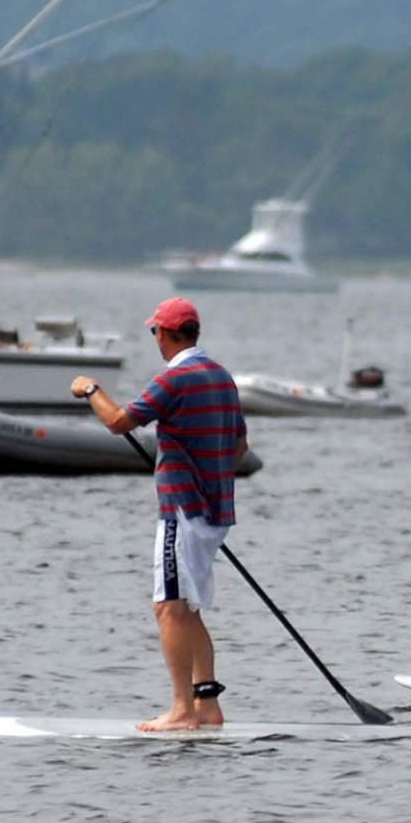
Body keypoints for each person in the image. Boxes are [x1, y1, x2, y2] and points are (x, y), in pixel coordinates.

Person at [71, 297, 247, 732]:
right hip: (215, 510)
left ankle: (181, 710)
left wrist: (91, 390)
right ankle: (207, 705)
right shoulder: (221, 376)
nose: (156, 340)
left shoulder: (175, 379)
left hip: (181, 509)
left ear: (166, 335)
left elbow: (117, 421)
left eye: (155, 333)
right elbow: (239, 446)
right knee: (188, 607)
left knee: (167, 608)